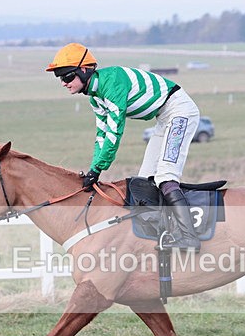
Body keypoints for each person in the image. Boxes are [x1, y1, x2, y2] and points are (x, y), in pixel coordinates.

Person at [46, 42, 201, 251]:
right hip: (164, 118)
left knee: (165, 175)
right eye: (60, 79)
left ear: (84, 70)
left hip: (180, 111)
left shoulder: (112, 84)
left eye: (66, 76)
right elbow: (101, 135)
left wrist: (98, 168)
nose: (64, 83)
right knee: (145, 180)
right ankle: (163, 231)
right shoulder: (95, 98)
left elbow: (114, 131)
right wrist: (94, 168)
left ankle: (189, 237)